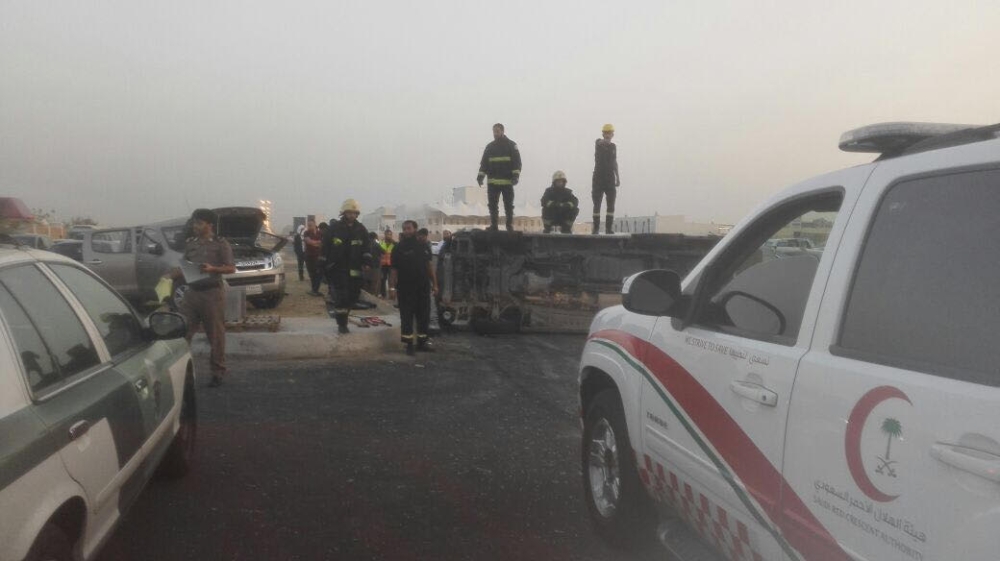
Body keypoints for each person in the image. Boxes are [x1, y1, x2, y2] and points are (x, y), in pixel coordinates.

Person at [163, 209, 235, 387]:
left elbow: (231, 268)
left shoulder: (220, 243)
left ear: (209, 225)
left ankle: (218, 372)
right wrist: (168, 277)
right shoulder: (191, 243)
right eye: (194, 223)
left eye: (199, 223)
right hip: (192, 293)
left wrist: (213, 269)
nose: (195, 226)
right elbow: (185, 266)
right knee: (183, 332)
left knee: (215, 335)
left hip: (212, 294)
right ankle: (181, 372)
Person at [323, 199, 372, 334]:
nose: (351, 215)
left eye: (354, 213)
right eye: (349, 212)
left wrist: (367, 262)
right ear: (344, 213)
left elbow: (367, 247)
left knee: (353, 295)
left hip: (355, 269)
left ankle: (345, 313)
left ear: (357, 214)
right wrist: (323, 265)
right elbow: (325, 247)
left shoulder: (361, 229)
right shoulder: (334, 228)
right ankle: (342, 323)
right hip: (338, 268)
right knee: (342, 296)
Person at [390, 220, 438, 355]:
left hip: (423, 287)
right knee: (407, 316)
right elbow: (393, 270)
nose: (406, 231)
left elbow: (430, 267)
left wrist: (435, 284)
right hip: (405, 288)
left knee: (424, 315)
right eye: (404, 229)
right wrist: (392, 288)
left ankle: (422, 342)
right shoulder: (398, 248)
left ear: (415, 229)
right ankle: (409, 345)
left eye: (409, 228)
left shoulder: (423, 246)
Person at [477, 123, 522, 232]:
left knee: (508, 205)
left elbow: (517, 162)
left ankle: (509, 225)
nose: (495, 133)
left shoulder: (511, 145)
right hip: (492, 183)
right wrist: (480, 176)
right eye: (494, 131)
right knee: (492, 205)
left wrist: (516, 176)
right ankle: (494, 225)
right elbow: (484, 164)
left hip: (507, 182)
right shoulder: (489, 147)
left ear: (502, 131)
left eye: (497, 131)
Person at [592, 123, 620, 234]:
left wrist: (618, 177)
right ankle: (596, 228)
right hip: (598, 178)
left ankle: (608, 228)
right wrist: (605, 140)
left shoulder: (613, 147)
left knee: (611, 204)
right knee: (597, 204)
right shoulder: (599, 143)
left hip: (610, 179)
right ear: (603, 134)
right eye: (606, 133)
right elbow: (599, 142)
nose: (608, 135)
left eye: (610, 133)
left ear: (613, 134)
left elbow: (614, 162)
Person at [303, 219, 323, 296]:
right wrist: (317, 243)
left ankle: (315, 290)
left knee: (318, 273)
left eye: (311, 225)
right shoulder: (306, 233)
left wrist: (314, 243)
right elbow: (309, 242)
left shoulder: (320, 233)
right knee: (312, 273)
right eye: (308, 225)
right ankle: (314, 289)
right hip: (309, 256)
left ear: (315, 224)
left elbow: (322, 243)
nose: (309, 227)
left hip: (318, 256)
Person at [378, 229, 396, 298]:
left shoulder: (394, 244)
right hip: (383, 265)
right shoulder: (381, 243)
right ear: (385, 235)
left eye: (390, 234)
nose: (389, 236)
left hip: (391, 264)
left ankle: (392, 295)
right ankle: (383, 294)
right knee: (383, 279)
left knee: (392, 280)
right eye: (387, 234)